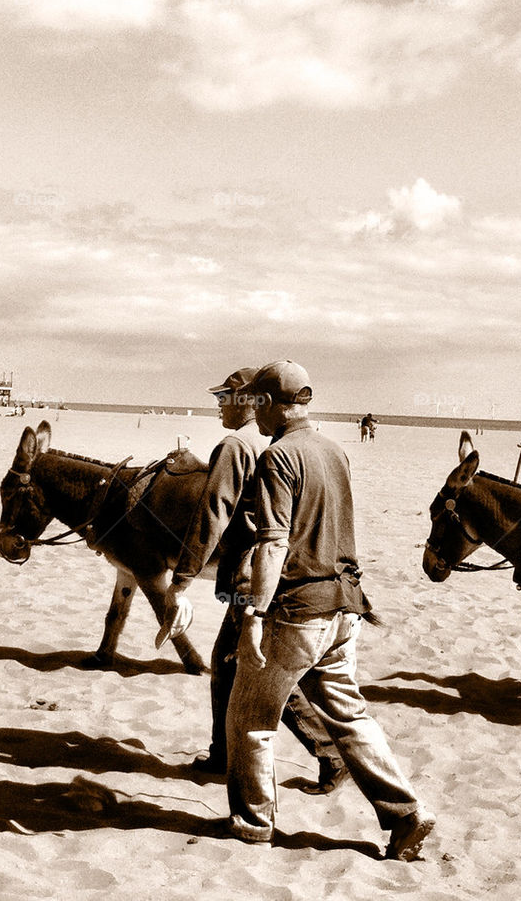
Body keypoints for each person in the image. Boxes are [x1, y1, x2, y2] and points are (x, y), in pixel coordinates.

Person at [224, 361, 435, 859]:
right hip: (346, 605)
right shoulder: (333, 449)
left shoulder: (278, 456)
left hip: (300, 609)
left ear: (276, 404)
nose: (253, 412)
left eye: (257, 402)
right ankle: (407, 814)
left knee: (249, 717)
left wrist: (254, 614)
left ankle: (253, 822)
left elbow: (274, 543)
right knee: (350, 716)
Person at [159, 368, 345, 794]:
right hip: (283, 575)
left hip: (249, 575)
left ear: (249, 399)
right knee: (235, 665)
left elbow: (214, 512)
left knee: (248, 667)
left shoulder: (234, 443)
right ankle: (223, 753)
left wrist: (182, 578)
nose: (219, 403)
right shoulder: (263, 440)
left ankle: (328, 752)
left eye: (225, 395)